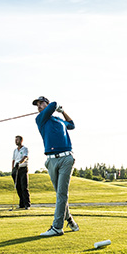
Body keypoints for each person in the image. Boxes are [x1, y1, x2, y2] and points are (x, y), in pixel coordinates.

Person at [32, 96, 79, 236]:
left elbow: (72, 124)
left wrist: (62, 112)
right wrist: (54, 107)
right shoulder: (40, 119)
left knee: (62, 193)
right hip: (51, 161)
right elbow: (53, 104)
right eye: (37, 105)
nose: (39, 106)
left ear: (46, 103)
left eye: (41, 103)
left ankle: (57, 227)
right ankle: (69, 219)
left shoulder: (59, 120)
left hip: (66, 158)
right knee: (60, 194)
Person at [12, 135, 31, 209]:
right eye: (15, 140)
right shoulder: (15, 150)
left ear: (21, 141)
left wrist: (19, 163)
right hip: (16, 169)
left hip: (23, 168)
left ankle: (27, 204)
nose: (16, 141)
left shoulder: (25, 149)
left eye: (17, 140)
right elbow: (13, 160)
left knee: (24, 187)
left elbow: (25, 157)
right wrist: (13, 168)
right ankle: (21, 204)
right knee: (18, 187)